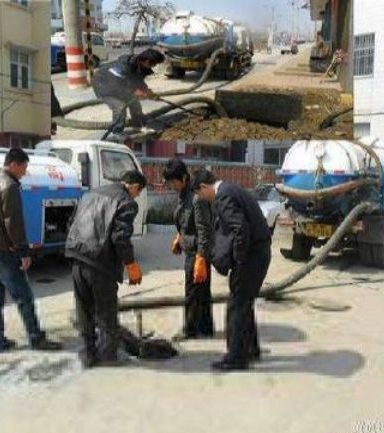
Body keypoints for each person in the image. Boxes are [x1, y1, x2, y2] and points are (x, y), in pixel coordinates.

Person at [0, 148, 62, 353]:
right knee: (23, 297)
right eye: (24, 167)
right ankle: (36, 338)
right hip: (4, 251)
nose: (24, 172)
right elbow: (13, 223)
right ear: (14, 164)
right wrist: (23, 252)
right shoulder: (9, 186)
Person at [191, 169, 272, 371]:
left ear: (203, 187)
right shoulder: (231, 189)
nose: (202, 199)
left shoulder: (223, 196)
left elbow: (240, 229)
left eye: (200, 195)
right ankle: (250, 350)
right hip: (258, 253)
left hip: (250, 257)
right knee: (244, 304)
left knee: (236, 306)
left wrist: (237, 260)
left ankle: (236, 358)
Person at [65, 170, 147, 368]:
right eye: (138, 192)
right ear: (134, 187)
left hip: (76, 256)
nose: (136, 196)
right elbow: (120, 238)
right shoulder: (126, 202)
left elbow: (71, 222)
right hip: (100, 263)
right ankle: (108, 355)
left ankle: (87, 353)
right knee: (106, 311)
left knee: (83, 308)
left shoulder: (91, 194)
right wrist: (131, 264)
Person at [163, 158, 214, 341]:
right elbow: (186, 222)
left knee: (193, 293)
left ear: (183, 178)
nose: (171, 185)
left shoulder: (196, 198)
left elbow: (204, 230)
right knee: (201, 293)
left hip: (198, 252)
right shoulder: (184, 194)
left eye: (172, 182)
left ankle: (190, 331)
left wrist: (201, 257)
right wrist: (180, 236)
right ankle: (205, 329)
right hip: (192, 248)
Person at [92, 48, 165, 138]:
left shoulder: (142, 66)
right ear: (147, 61)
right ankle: (116, 133)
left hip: (120, 84)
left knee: (135, 105)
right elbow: (114, 85)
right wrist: (133, 91)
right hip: (103, 84)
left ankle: (137, 126)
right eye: (153, 64)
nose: (154, 66)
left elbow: (138, 81)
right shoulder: (123, 66)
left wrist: (148, 92)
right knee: (120, 107)